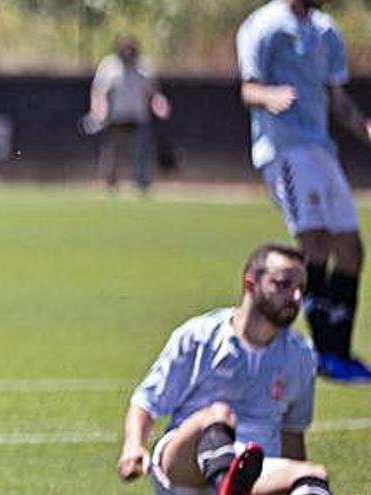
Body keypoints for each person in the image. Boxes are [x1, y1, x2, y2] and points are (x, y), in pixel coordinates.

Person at [118, 243, 334, 495]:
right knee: (218, 414)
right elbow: (145, 402)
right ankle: (227, 485)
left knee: (313, 477)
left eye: (301, 289)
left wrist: (294, 478)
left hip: (257, 469)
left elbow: (292, 433)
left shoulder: (301, 355)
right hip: (185, 466)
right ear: (250, 283)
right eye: (283, 285)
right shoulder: (200, 336)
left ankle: (232, 488)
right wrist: (133, 447)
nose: (296, 298)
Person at [237, 0, 371, 382]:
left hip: (321, 148)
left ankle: (341, 352)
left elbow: (338, 100)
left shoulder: (326, 31)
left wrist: (364, 128)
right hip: (284, 149)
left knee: (350, 249)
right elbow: (249, 89)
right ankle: (324, 352)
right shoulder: (264, 25)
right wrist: (271, 96)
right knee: (314, 241)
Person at [87, 36, 170, 192]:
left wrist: (160, 104)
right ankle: (110, 182)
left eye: (131, 50)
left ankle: (143, 184)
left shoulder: (144, 67)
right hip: (116, 118)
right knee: (112, 153)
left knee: (142, 151)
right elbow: (98, 92)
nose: (128, 53)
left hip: (138, 117)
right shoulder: (109, 66)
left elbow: (154, 92)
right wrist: (97, 111)